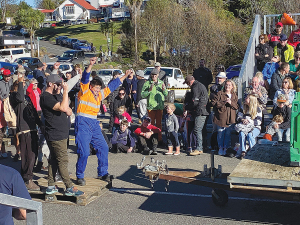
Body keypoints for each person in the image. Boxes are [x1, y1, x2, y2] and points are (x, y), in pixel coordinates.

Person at [75, 58, 130, 186]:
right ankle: (79, 175)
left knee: (104, 147)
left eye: (99, 87)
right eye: (95, 87)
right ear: (91, 86)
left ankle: (102, 173)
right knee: (84, 151)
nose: (97, 90)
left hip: (94, 123)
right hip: (82, 122)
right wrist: (90, 65)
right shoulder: (84, 91)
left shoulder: (99, 94)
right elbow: (85, 77)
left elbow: (112, 85)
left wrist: (125, 76)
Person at [40, 73, 84, 196]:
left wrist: (63, 97)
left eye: (60, 84)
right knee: (62, 160)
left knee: (53, 159)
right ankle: (69, 187)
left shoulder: (57, 95)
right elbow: (64, 108)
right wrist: (65, 91)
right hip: (55, 134)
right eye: (58, 84)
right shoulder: (46, 97)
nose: (60, 86)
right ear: (50, 84)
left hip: (62, 133)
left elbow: (68, 110)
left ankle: (50, 185)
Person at [9, 76, 43, 191]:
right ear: (16, 86)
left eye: (23, 84)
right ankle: (27, 179)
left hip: (32, 128)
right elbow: (19, 97)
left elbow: (33, 111)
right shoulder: (13, 96)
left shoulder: (26, 97)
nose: (23, 85)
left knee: (33, 155)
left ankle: (27, 178)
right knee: (27, 156)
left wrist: (41, 125)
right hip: (24, 129)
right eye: (21, 84)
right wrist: (19, 83)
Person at [183, 75, 209, 156]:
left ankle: (199, 148)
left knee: (197, 130)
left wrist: (187, 107)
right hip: (203, 110)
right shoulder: (200, 85)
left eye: (187, 83)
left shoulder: (195, 87)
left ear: (190, 81)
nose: (188, 85)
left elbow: (195, 102)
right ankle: (201, 147)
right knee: (200, 130)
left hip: (200, 111)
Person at [211, 80, 238, 156]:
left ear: (232, 86)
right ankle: (220, 147)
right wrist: (224, 102)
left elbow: (236, 106)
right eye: (226, 85)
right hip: (221, 117)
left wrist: (230, 103)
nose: (227, 86)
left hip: (230, 118)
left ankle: (226, 148)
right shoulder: (220, 94)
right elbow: (214, 103)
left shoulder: (234, 95)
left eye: (229, 85)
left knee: (227, 134)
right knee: (220, 133)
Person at [141, 68, 168, 144]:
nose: (154, 76)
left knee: (159, 124)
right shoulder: (147, 83)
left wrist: (163, 90)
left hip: (159, 107)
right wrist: (149, 90)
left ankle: (159, 139)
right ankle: (152, 140)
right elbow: (142, 95)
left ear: (158, 75)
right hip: (151, 107)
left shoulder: (161, 82)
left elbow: (166, 94)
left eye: (155, 75)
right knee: (151, 124)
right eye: (152, 74)